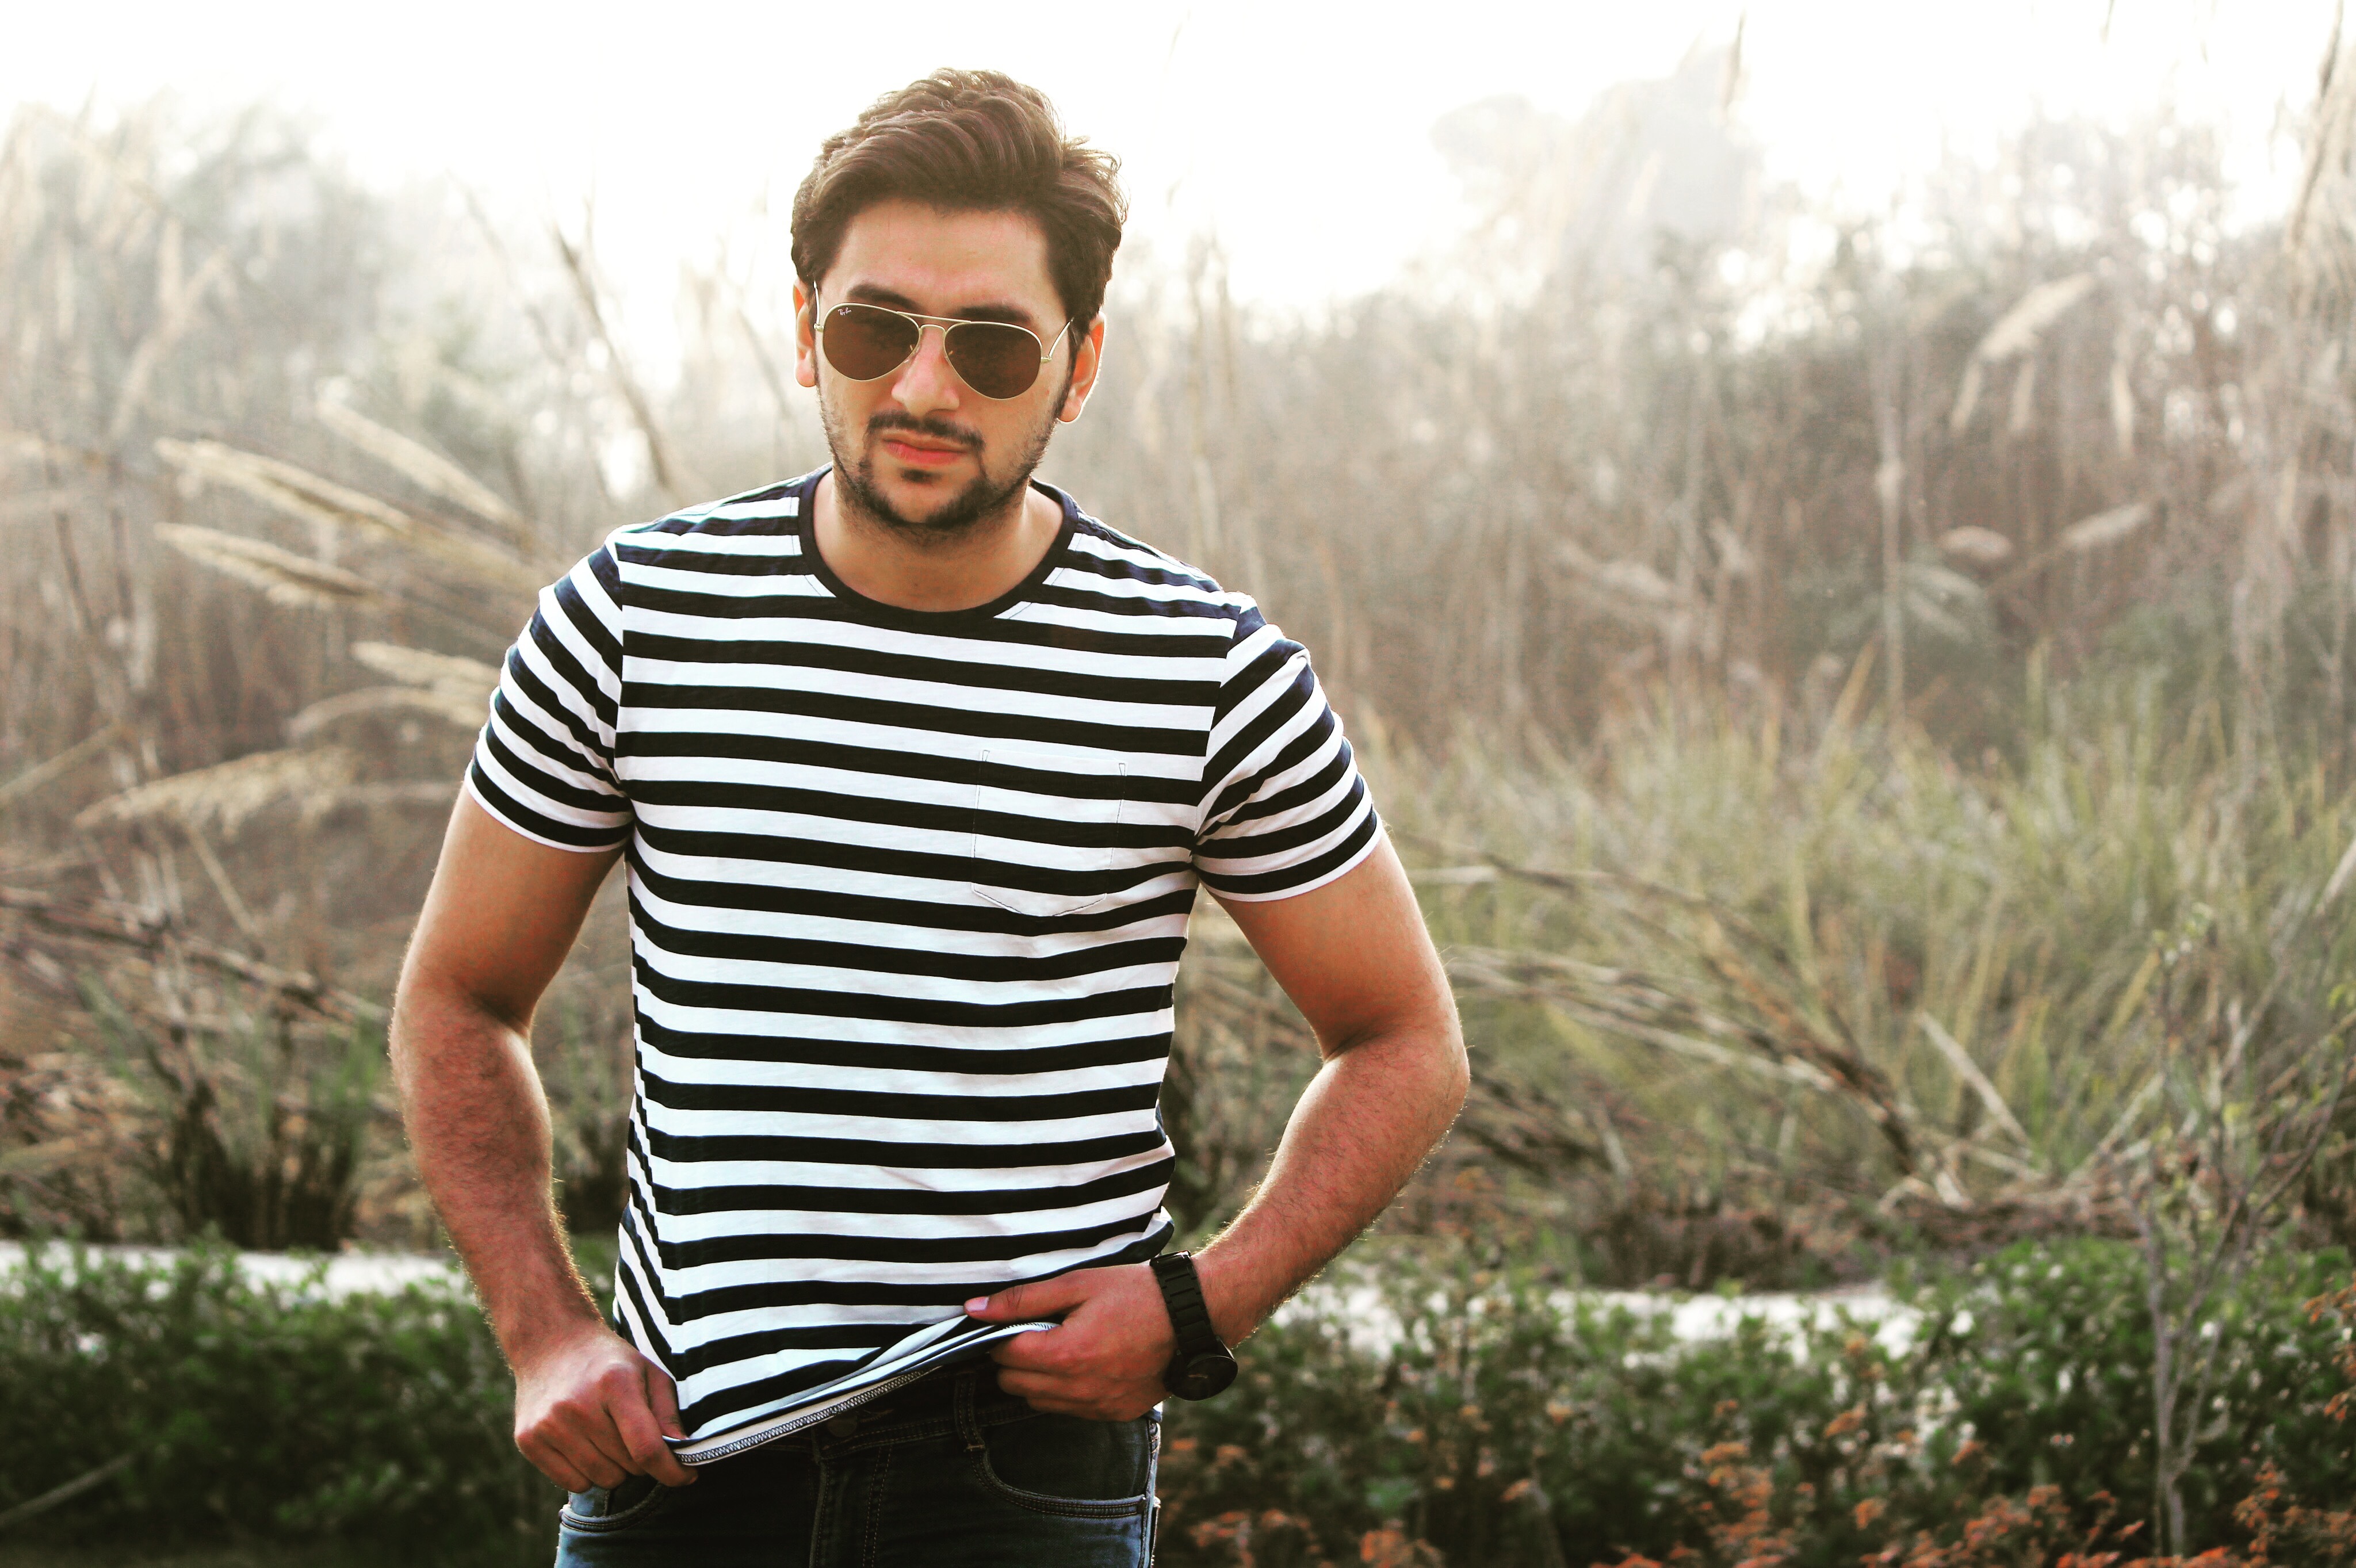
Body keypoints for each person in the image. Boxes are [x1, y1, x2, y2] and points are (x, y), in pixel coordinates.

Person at [391, 68, 1466, 1568]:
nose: (922, 389)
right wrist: (542, 1331)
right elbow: (457, 997)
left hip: (1020, 1472)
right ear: (803, 331)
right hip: (681, 1468)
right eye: (874, 329)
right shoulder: (630, 621)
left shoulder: (1205, 671)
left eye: (994, 346)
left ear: (1080, 367)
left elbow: (1406, 1041)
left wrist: (1202, 1302)